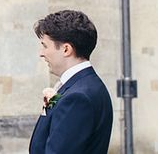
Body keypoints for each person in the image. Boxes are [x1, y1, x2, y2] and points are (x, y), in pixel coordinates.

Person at [29, 10, 113, 154]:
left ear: (66, 49)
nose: (41, 53)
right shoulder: (86, 85)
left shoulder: (78, 97)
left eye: (45, 46)